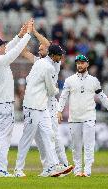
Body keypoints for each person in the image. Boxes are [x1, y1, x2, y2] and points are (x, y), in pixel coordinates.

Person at [14, 44, 73, 178]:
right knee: (27, 138)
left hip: (41, 106)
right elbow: (52, 90)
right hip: (32, 106)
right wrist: (56, 89)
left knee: (48, 135)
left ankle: (51, 167)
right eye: (59, 55)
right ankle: (18, 169)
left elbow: (29, 79)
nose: (61, 57)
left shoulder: (39, 62)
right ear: (53, 55)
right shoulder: (48, 67)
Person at [57, 54, 108, 177]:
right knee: (76, 146)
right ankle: (78, 170)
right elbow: (63, 96)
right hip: (74, 117)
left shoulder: (94, 80)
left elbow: (102, 96)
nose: (80, 65)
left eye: (82, 63)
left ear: (87, 64)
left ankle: (87, 170)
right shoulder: (69, 80)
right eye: (78, 63)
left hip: (89, 117)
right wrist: (59, 110)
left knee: (89, 145)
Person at [0, 20, 33, 177]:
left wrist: (19, 35)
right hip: (4, 105)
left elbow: (11, 47)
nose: (5, 47)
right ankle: (1, 169)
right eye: (3, 46)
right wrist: (27, 35)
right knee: (4, 137)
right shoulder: (0, 61)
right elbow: (15, 51)